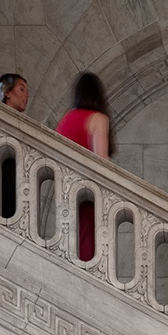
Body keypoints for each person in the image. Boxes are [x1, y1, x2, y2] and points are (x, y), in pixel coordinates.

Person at [54, 72, 112, 262]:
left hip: (66, 190)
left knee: (71, 240)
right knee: (89, 246)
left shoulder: (66, 118)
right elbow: (101, 161)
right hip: (87, 192)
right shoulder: (98, 118)